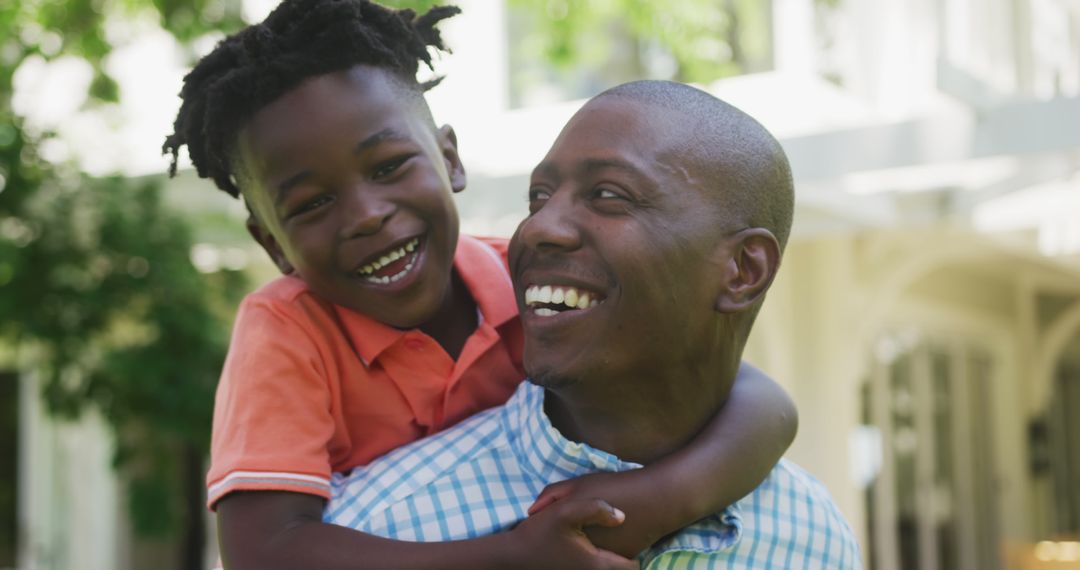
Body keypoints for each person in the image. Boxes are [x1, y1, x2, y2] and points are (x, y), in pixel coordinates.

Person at [162, 1, 798, 568]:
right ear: (273, 244)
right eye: (311, 204)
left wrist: (654, 502)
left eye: (389, 166)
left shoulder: (538, 278)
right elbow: (263, 553)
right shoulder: (287, 331)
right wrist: (512, 556)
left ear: (450, 159)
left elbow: (765, 406)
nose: (365, 216)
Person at [324, 79, 862, 568]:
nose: (537, 228)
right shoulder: (381, 529)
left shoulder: (813, 538)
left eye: (608, 195)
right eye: (538, 197)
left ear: (743, 271)